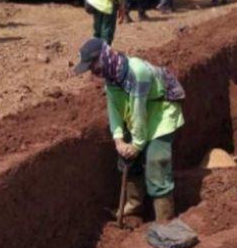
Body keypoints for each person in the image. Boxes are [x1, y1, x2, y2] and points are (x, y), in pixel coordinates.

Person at [73, 38, 185, 223]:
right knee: (127, 159)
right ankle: (134, 207)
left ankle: (165, 221)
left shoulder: (137, 72)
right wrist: (119, 140)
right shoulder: (111, 77)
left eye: (92, 66)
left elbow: (139, 110)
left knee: (157, 161)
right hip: (138, 113)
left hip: (161, 112)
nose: (92, 72)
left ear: (103, 58)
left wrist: (137, 145)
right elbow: (114, 109)